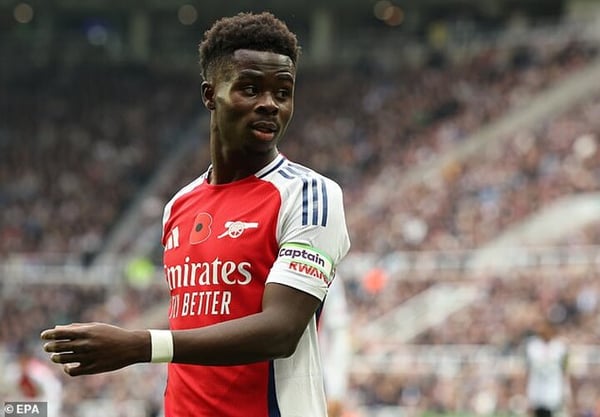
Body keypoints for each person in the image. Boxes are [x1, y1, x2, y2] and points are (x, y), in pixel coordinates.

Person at [40, 11, 351, 417]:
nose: (270, 104)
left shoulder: (309, 195)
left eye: (283, 92)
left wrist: (140, 345)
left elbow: (281, 331)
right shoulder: (179, 205)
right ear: (209, 95)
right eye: (250, 88)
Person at [525, 321, 572, 417]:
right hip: (537, 385)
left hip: (554, 384)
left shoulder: (560, 346)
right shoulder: (533, 346)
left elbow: (565, 368)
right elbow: (528, 367)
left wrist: (567, 387)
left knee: (554, 410)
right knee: (538, 410)